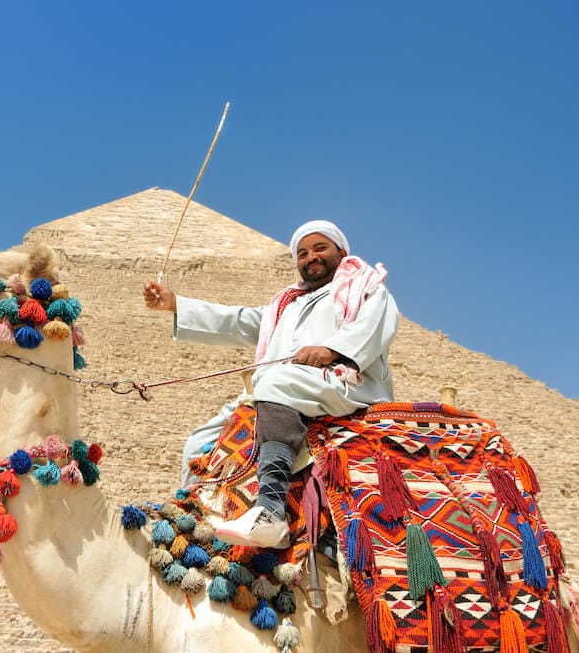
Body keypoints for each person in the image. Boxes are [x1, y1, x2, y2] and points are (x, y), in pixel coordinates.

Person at [142, 220, 399, 549]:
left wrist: (331, 350)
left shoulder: (367, 287)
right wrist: (176, 304)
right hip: (285, 388)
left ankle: (271, 511)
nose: (311, 257)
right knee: (200, 441)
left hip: (344, 380)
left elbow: (375, 327)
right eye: (303, 253)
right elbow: (238, 319)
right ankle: (196, 519)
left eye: (320, 248)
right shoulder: (286, 305)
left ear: (342, 252)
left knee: (276, 380)